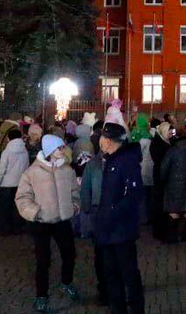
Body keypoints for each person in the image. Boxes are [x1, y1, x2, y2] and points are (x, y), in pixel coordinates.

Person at [16, 134, 81, 313]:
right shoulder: (32, 172)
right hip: (41, 221)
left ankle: (66, 282)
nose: (64, 150)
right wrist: (34, 212)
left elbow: (75, 192)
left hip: (62, 220)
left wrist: (74, 207)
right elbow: (22, 197)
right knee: (43, 260)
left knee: (69, 254)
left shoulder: (68, 170)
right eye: (60, 148)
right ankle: (41, 296)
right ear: (51, 150)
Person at [95, 122, 145, 314]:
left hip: (121, 230)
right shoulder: (112, 160)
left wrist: (112, 213)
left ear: (109, 141)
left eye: (102, 137)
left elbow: (133, 194)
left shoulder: (125, 160)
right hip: (108, 230)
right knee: (111, 274)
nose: (100, 141)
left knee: (128, 274)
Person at [159, 126, 186, 243]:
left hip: (174, 185)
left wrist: (163, 180)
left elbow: (163, 168)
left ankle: (172, 237)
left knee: (174, 211)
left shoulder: (172, 150)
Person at [80, 125, 106, 303]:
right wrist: (87, 209)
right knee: (102, 253)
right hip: (98, 211)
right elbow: (85, 190)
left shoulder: (95, 164)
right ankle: (104, 288)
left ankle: (109, 288)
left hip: (107, 211)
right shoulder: (93, 164)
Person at [0, 127, 29, 235]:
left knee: (5, 207)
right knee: (17, 207)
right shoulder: (24, 150)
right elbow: (26, 166)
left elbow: (2, 168)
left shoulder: (7, 151)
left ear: (9, 138)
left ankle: (5, 228)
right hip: (20, 183)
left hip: (7, 183)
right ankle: (17, 227)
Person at [149, 121, 172, 241]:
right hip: (160, 176)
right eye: (168, 130)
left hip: (163, 175)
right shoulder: (159, 144)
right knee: (159, 202)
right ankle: (159, 230)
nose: (170, 133)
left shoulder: (164, 142)